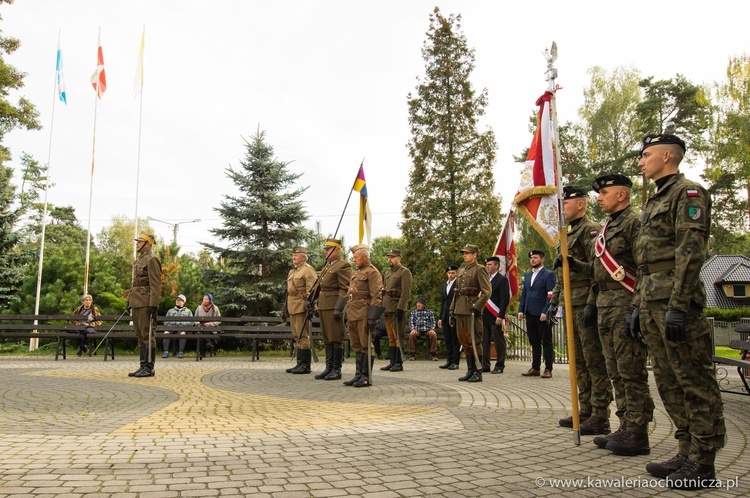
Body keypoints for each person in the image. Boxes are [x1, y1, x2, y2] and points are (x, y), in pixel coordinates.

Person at [631, 133, 725, 489]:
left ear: (667, 155)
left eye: (646, 155)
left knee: (694, 381)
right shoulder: (656, 199)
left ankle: (704, 461)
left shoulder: (688, 193)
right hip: (653, 302)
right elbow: (644, 262)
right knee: (669, 381)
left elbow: (690, 252)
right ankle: (686, 449)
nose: (641, 162)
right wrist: (638, 306)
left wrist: (679, 306)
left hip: (675, 304)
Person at [589, 174, 654, 453]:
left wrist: (638, 305)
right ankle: (625, 426)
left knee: (631, 372)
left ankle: (638, 432)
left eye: (604, 192)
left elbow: (643, 268)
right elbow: (598, 272)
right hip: (606, 306)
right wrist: (592, 302)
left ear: (622, 195)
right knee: (615, 371)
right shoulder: (608, 227)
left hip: (625, 305)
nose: (599, 198)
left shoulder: (633, 223)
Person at [549, 186, 613, 433]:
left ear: (581, 205)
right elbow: (560, 276)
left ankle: (600, 414)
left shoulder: (591, 230)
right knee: (578, 362)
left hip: (586, 303)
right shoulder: (565, 234)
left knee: (593, 360)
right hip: (569, 302)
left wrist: (589, 303)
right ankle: (584, 409)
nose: (561, 208)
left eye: (565, 203)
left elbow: (597, 271)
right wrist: (554, 302)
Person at [343, 244, 384, 388]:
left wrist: (373, 317)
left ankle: (366, 376)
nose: (354, 259)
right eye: (353, 257)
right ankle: (358, 374)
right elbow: (350, 293)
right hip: (353, 312)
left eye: (356, 257)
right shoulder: (356, 273)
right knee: (356, 345)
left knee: (366, 345)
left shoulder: (372, 272)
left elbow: (377, 295)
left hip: (364, 313)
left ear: (365, 257)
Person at [451, 244, 492, 383]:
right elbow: (456, 293)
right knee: (465, 341)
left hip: (471, 310)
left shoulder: (480, 270)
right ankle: (470, 370)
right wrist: (452, 309)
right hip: (460, 310)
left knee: (474, 341)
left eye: (467, 253)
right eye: (463, 253)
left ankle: (478, 371)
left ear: (475, 255)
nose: (464, 255)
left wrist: (477, 307)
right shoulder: (462, 271)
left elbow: (487, 292)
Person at [314, 238, 352, 380]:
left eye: (328, 249)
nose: (325, 252)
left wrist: (339, 307)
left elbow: (345, 288)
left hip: (333, 305)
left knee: (336, 337)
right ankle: (328, 367)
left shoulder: (343, 266)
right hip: (324, 305)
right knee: (326, 338)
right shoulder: (327, 266)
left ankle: (336, 369)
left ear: (336, 250)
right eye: (325, 249)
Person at [127, 233, 162, 378]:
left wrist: (153, 305)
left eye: (139, 242)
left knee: (148, 334)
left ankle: (149, 367)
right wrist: (129, 300)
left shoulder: (152, 260)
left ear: (147, 244)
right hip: (137, 301)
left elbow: (155, 285)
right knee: (140, 334)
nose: (137, 244)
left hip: (146, 302)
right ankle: (142, 365)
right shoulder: (140, 259)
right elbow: (135, 282)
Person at [517, 250, 556, 378]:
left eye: (535, 258)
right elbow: (525, 294)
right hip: (530, 312)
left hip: (542, 314)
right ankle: (535, 367)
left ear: (542, 259)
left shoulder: (548, 274)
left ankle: (548, 368)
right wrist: (521, 309)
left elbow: (550, 294)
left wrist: (545, 311)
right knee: (534, 341)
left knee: (546, 341)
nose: (533, 260)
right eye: (531, 258)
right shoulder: (528, 276)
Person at [283, 246, 317, 374]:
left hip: (302, 306)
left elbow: (312, 290)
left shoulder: (308, 270)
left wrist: (311, 305)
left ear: (303, 257)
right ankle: (299, 363)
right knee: (296, 335)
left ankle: (305, 365)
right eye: (293, 255)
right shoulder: (292, 271)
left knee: (303, 335)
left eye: (296, 255)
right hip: (292, 305)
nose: (293, 257)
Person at [380, 249, 412, 373]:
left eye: (392, 257)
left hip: (396, 307)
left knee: (398, 335)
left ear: (398, 258)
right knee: (391, 336)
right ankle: (392, 361)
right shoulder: (387, 273)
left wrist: (400, 307)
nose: (390, 260)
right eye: (389, 257)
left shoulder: (404, 272)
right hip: (387, 308)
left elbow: (406, 292)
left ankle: (399, 362)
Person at [482, 256, 510, 374]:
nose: (487, 266)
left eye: (490, 264)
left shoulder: (502, 279)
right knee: (484, 341)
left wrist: (500, 315)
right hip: (485, 314)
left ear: (497, 266)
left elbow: (504, 299)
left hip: (495, 315)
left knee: (498, 341)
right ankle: (485, 365)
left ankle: (499, 365)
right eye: (487, 264)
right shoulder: (485, 279)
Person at [437, 265, 460, 370]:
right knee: (448, 339)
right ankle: (449, 360)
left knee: (455, 339)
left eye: (453, 273)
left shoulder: (458, 283)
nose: (450, 275)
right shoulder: (445, 285)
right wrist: (440, 317)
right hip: (445, 314)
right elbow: (443, 302)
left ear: (456, 273)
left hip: (454, 314)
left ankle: (455, 361)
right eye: (449, 273)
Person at [163, 294, 192, 359]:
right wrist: (167, 327)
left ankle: (181, 352)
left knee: (182, 334)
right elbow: (165, 321)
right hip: (171, 327)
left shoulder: (188, 311)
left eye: (180, 300)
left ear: (183, 302)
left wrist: (185, 326)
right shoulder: (170, 311)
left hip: (182, 327)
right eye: (177, 300)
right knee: (166, 333)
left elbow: (191, 321)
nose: (177, 301)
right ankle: (166, 352)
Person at [194, 294, 221, 358]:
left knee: (203, 332)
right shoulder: (199, 308)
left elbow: (219, 320)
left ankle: (202, 353)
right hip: (201, 326)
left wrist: (211, 324)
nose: (204, 300)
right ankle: (208, 342)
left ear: (210, 300)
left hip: (212, 328)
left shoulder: (215, 308)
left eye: (206, 299)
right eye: (203, 299)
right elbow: (195, 318)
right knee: (203, 329)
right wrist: (197, 323)